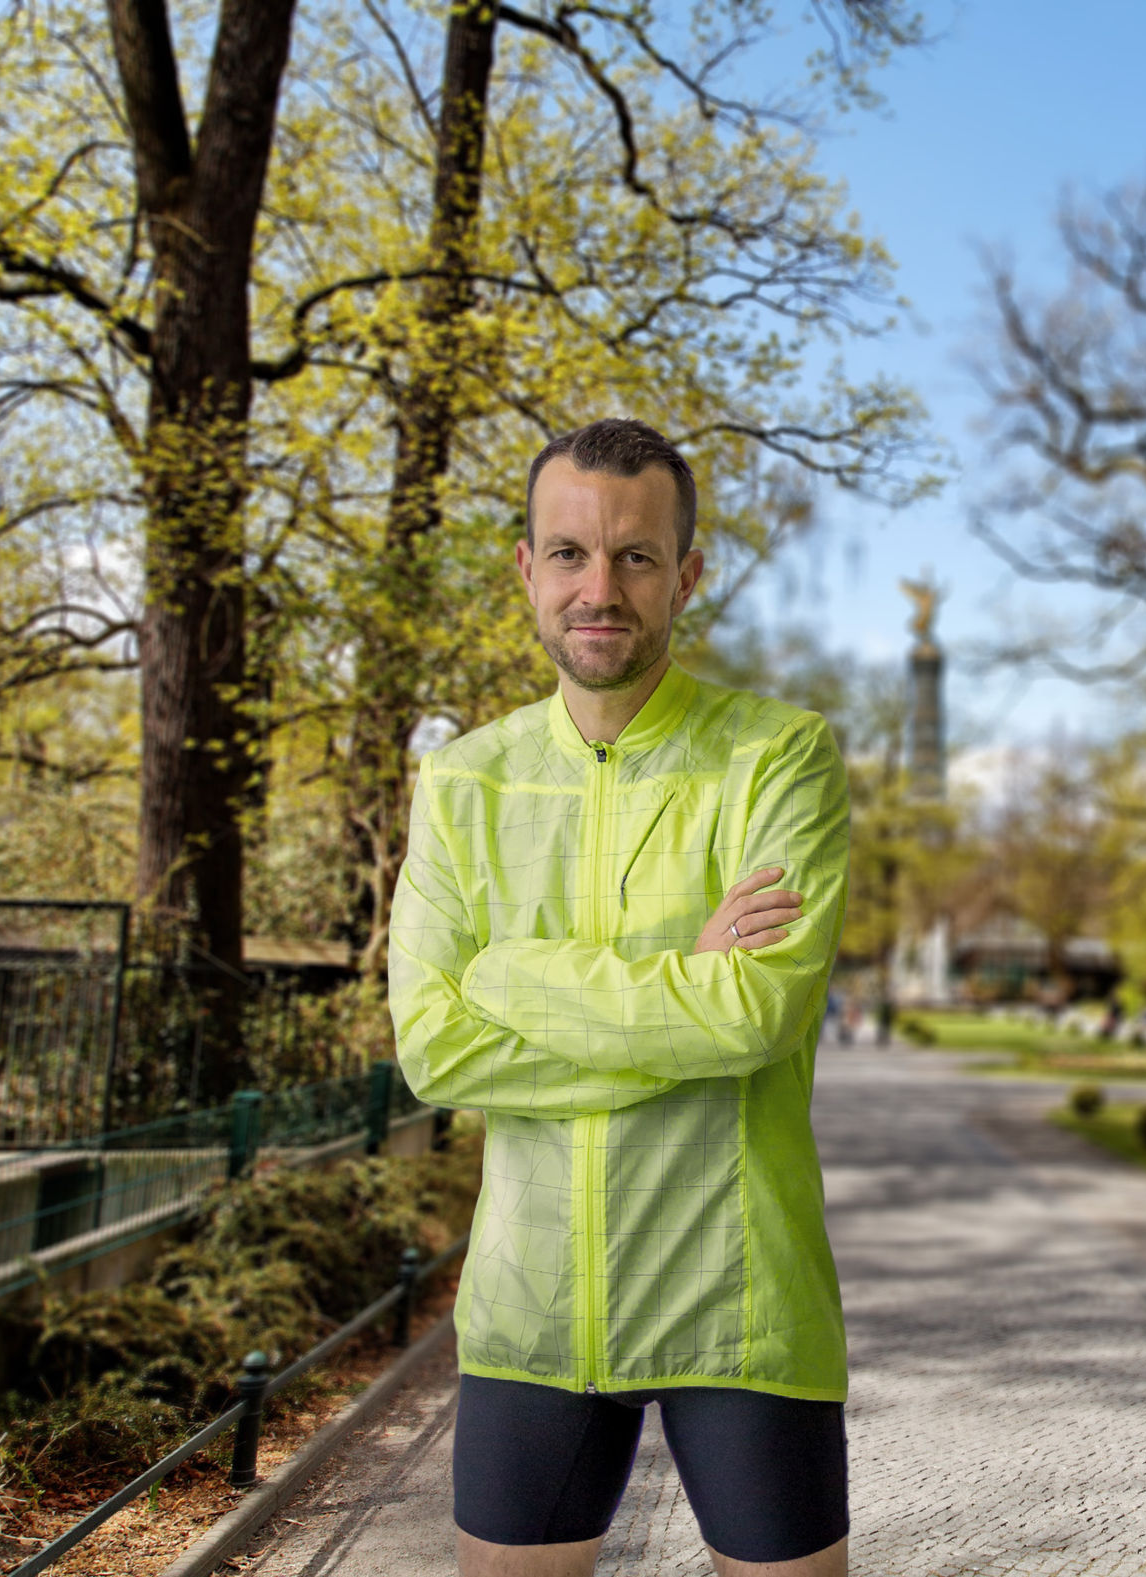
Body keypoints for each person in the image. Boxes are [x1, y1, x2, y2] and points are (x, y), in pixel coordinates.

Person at [388, 419, 851, 1577]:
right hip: (530, 1308)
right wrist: (682, 995)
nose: (601, 588)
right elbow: (437, 1050)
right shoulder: (462, 785)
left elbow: (756, 1015)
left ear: (688, 574)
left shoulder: (779, 758)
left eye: (637, 556)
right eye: (570, 554)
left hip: (737, 1297)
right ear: (527, 570)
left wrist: (511, 972)